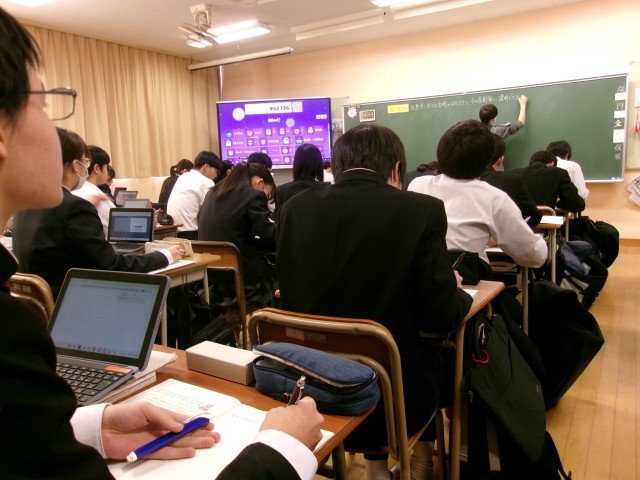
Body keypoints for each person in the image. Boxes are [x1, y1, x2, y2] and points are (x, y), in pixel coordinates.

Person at [0, 7, 324, 480]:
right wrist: (282, 447)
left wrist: (90, 427)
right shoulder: (9, 334)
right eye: (44, 106)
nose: (57, 131)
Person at [277, 124, 473, 480]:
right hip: (393, 398)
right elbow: (442, 313)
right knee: (440, 349)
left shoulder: (294, 209)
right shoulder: (422, 210)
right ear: (396, 169)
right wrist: (456, 289)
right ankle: (425, 458)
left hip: (310, 389)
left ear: (336, 167)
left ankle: (379, 467)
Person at [12, 127, 181, 298]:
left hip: (42, 305)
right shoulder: (74, 207)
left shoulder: (24, 206)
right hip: (77, 302)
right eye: (85, 162)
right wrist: (165, 255)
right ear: (75, 166)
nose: (86, 168)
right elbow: (111, 266)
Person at [408, 120, 547, 268]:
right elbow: (534, 256)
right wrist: (541, 240)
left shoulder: (418, 185)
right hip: (467, 278)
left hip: (419, 276)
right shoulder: (494, 198)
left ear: (441, 152)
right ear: (487, 161)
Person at [198, 162, 278, 309]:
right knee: (278, 273)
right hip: (242, 274)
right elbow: (267, 233)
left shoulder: (211, 194)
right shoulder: (254, 195)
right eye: (267, 193)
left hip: (212, 274)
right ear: (260, 183)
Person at [480, 134, 542, 227]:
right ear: (500, 159)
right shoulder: (513, 181)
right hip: (505, 233)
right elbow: (534, 217)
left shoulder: (463, 182)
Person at [167, 151, 221, 239]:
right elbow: (211, 212)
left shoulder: (183, 177)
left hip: (173, 232)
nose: (216, 175)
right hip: (191, 234)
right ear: (206, 167)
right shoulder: (206, 182)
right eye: (216, 171)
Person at [512, 150, 586, 212]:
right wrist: (559, 203)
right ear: (552, 163)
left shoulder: (514, 173)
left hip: (520, 220)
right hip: (547, 220)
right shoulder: (559, 173)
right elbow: (577, 204)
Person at [72, 144, 116, 237]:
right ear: (96, 168)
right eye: (106, 167)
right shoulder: (99, 198)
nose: (107, 172)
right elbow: (117, 231)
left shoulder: (71, 192)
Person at [275, 144, 329, 218]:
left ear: (296, 164)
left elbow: (279, 220)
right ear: (318, 164)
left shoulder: (282, 191)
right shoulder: (327, 189)